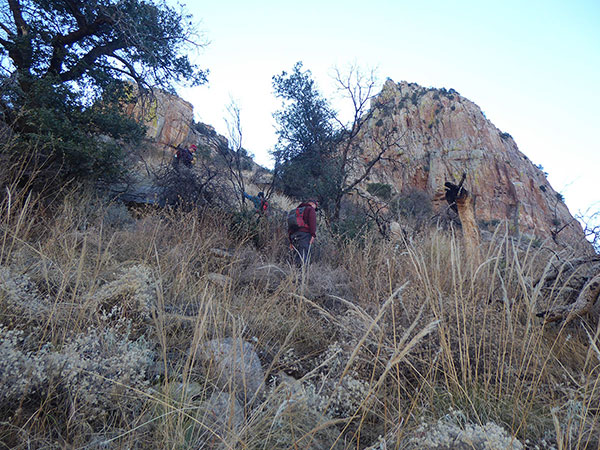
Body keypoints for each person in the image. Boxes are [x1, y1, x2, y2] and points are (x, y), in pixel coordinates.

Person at [288, 199, 318, 265]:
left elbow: (290, 226)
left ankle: (294, 273)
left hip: (293, 235)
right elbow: (312, 222)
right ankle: (302, 273)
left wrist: (290, 240)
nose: (315, 209)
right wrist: (313, 235)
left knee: (295, 255)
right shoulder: (310, 209)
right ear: (313, 204)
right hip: (304, 235)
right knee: (303, 256)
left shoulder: (295, 210)